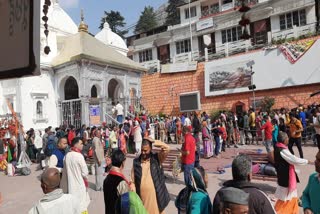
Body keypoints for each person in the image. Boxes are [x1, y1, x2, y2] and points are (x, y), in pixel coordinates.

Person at [274, 131, 313, 214]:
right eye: (287, 138)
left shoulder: (279, 147)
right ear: (284, 140)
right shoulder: (282, 150)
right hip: (285, 177)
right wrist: (307, 161)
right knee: (286, 198)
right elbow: (294, 160)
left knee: (291, 196)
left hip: (284, 175)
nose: (288, 139)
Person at [131, 137, 170, 214]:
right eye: (142, 150)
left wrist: (154, 141)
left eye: (145, 150)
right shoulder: (136, 162)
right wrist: (133, 192)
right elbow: (132, 181)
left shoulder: (157, 159)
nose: (143, 153)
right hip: (142, 202)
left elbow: (167, 148)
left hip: (156, 202)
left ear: (151, 149)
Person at [60, 137, 90, 214]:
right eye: (81, 143)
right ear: (75, 145)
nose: (82, 145)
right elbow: (85, 173)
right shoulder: (79, 156)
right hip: (79, 185)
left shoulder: (67, 155)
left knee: (73, 207)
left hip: (70, 185)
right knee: (82, 206)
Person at [302, 149, 320, 214]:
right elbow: (305, 194)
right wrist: (306, 208)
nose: (315, 162)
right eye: (316, 159)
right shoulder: (312, 178)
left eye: (319, 160)